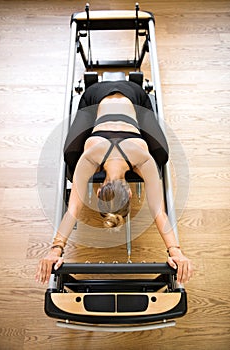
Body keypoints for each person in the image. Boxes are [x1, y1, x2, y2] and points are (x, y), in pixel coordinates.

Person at [35, 80, 193, 285]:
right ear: (101, 191)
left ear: (127, 193)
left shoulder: (141, 157)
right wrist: (54, 250)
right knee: (159, 156)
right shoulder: (92, 154)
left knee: (159, 157)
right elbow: (73, 209)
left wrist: (177, 252)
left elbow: (158, 212)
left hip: (114, 94)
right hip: (114, 94)